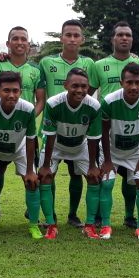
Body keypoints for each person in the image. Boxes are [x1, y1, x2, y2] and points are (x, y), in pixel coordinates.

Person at [0, 71, 43, 240]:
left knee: (32, 182)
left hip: (19, 150)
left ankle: (34, 225)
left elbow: (31, 139)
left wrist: (30, 170)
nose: (11, 95)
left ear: (20, 91)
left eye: (15, 90)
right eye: (6, 90)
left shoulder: (27, 108)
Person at [39, 19, 96, 228]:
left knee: (76, 173)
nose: (72, 39)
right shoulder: (46, 62)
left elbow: (89, 92)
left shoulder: (89, 64)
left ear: (82, 39)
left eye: (76, 35)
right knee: (48, 173)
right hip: (52, 127)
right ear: (61, 37)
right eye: (68, 35)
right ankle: (49, 214)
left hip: (78, 129)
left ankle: (73, 215)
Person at [37, 69, 103, 240]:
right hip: (56, 145)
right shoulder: (53, 103)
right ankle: (51, 225)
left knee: (94, 178)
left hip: (80, 146)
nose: (80, 90)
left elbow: (93, 138)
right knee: (45, 177)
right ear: (66, 85)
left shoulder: (94, 106)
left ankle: (89, 226)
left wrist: (92, 166)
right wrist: (45, 166)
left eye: (84, 86)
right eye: (75, 86)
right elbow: (49, 135)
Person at [98, 62, 139, 240]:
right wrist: (108, 161)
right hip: (111, 150)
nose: (134, 87)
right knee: (107, 183)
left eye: (138, 83)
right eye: (129, 82)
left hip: (135, 152)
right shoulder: (109, 101)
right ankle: (106, 225)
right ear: (121, 82)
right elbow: (103, 131)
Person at [90, 21, 139, 99]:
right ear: (112, 40)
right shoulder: (98, 65)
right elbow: (87, 95)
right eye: (120, 35)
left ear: (132, 40)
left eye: (128, 35)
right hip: (106, 111)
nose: (124, 38)